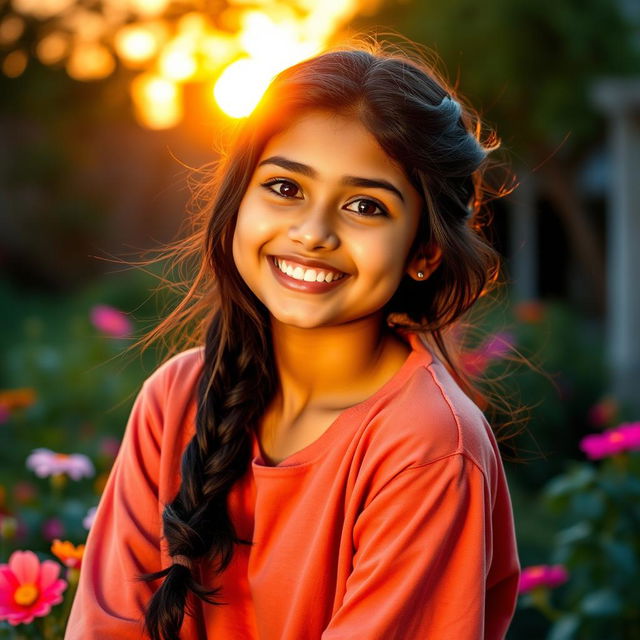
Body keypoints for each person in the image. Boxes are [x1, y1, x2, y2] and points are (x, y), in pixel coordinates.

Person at [65, 37, 521, 640]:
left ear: (424, 252)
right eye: (285, 188)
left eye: (365, 205)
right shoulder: (174, 397)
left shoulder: (427, 447)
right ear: (238, 204)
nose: (312, 233)